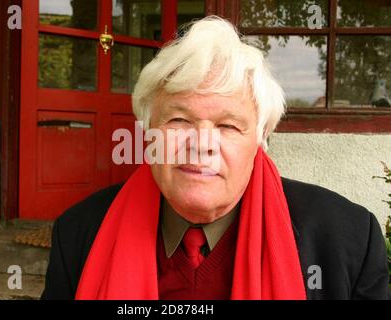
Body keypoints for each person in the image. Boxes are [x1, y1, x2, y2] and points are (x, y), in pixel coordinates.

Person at [41, 16, 390, 300]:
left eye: (227, 126)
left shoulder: (349, 240)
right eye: (179, 120)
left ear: (259, 140)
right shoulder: (79, 234)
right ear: (149, 133)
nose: (201, 144)